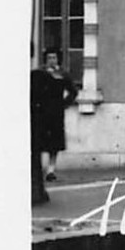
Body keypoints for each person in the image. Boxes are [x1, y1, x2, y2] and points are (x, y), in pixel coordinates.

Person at [30, 52, 78, 181]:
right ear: (45, 59)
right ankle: (38, 169)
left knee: (55, 142)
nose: (52, 60)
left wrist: (63, 104)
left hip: (56, 112)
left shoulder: (62, 74)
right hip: (41, 111)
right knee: (40, 140)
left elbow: (73, 91)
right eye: (49, 58)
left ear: (58, 59)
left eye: (54, 58)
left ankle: (51, 169)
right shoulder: (40, 73)